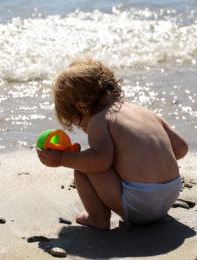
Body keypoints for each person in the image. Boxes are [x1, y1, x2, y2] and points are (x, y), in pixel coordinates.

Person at [36, 58, 188, 229]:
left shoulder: (99, 120)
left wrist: (62, 158)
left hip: (141, 205)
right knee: (105, 159)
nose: (83, 128)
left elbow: (100, 162)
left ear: (82, 107)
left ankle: (97, 217)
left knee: (85, 166)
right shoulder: (143, 111)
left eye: (78, 123)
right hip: (172, 192)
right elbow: (181, 148)